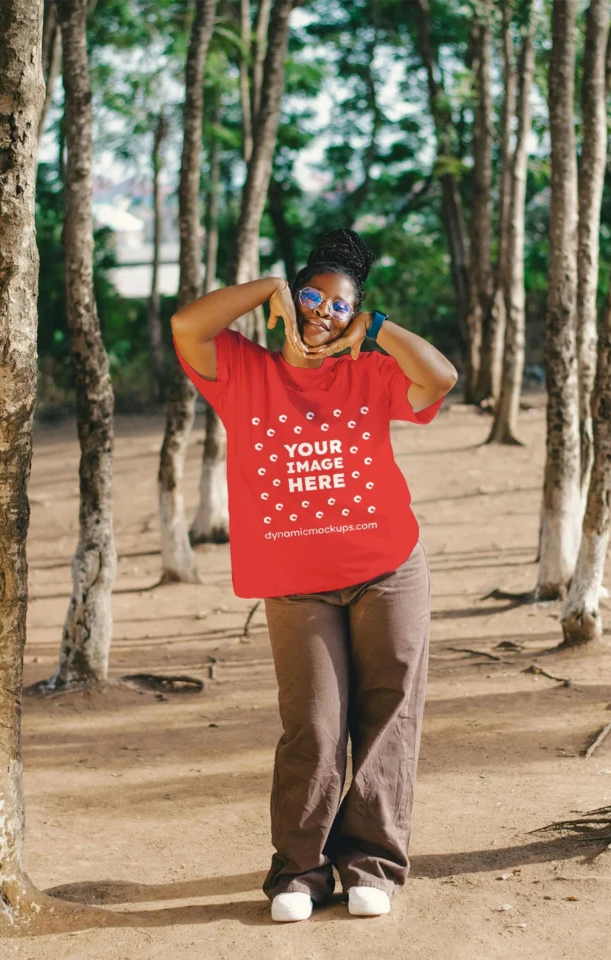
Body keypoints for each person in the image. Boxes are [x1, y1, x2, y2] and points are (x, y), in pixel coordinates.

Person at [171, 228, 458, 922]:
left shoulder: (370, 371)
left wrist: (377, 330)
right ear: (290, 300)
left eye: (340, 305)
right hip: (297, 584)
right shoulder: (243, 371)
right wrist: (266, 288)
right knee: (314, 727)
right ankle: (299, 871)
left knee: (388, 718)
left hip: (386, 569)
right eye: (309, 296)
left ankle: (373, 866)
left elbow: (440, 376)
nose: (321, 312)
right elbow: (187, 323)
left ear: (355, 314)